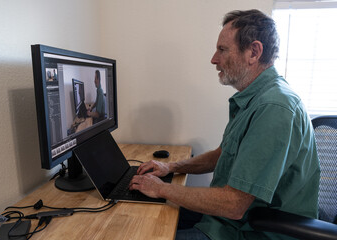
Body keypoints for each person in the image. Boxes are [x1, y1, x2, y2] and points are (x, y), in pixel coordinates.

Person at [129, 9, 320, 240]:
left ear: (254, 52)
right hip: (229, 219)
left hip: (251, 231)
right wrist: (171, 168)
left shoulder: (274, 108)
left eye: (222, 50)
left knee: (143, 231)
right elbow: (222, 155)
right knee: (144, 213)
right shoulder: (254, 98)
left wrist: (161, 188)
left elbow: (234, 205)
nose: (213, 59)